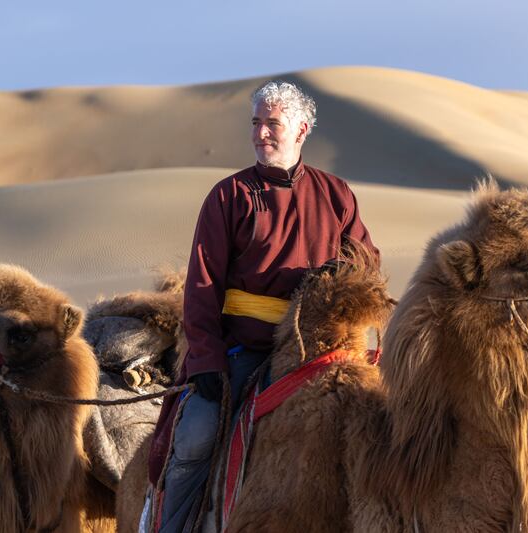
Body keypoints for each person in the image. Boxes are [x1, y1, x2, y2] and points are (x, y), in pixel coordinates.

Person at [147, 80, 378, 533]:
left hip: (318, 353)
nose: (261, 134)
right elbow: (202, 286)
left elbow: (367, 262)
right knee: (195, 439)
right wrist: (206, 361)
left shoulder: (337, 195)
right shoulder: (227, 197)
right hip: (242, 351)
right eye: (256, 123)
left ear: (301, 130)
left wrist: (338, 277)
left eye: (273, 123)